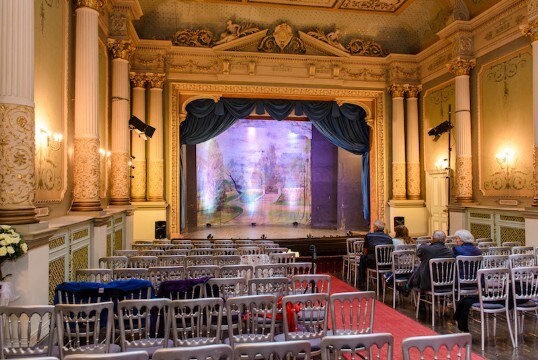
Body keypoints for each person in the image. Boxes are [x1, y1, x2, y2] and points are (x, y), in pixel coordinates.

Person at [358, 219, 393, 289]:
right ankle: (379, 285)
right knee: (379, 258)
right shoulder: (389, 238)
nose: (373, 228)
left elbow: (365, 251)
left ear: (376, 228)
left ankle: (362, 282)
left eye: (374, 226)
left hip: (373, 263)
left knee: (363, 258)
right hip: (387, 264)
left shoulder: (369, 236)